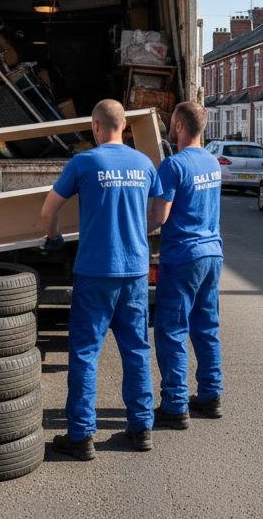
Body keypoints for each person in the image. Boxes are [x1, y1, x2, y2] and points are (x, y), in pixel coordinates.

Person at [41, 100, 162, 460]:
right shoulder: (144, 164)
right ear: (123, 125)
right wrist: (137, 233)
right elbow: (159, 213)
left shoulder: (84, 162)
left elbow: (49, 210)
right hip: (135, 272)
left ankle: (81, 436)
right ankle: (141, 429)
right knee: (137, 351)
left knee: (84, 353)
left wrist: (54, 239)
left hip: (95, 271)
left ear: (95, 126)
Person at [147, 101, 224, 426]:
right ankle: (211, 396)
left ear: (179, 126)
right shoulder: (212, 162)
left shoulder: (173, 166)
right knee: (206, 328)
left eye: (171, 123)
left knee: (172, 331)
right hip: (212, 256)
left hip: (182, 259)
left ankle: (176, 405)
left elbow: (158, 218)